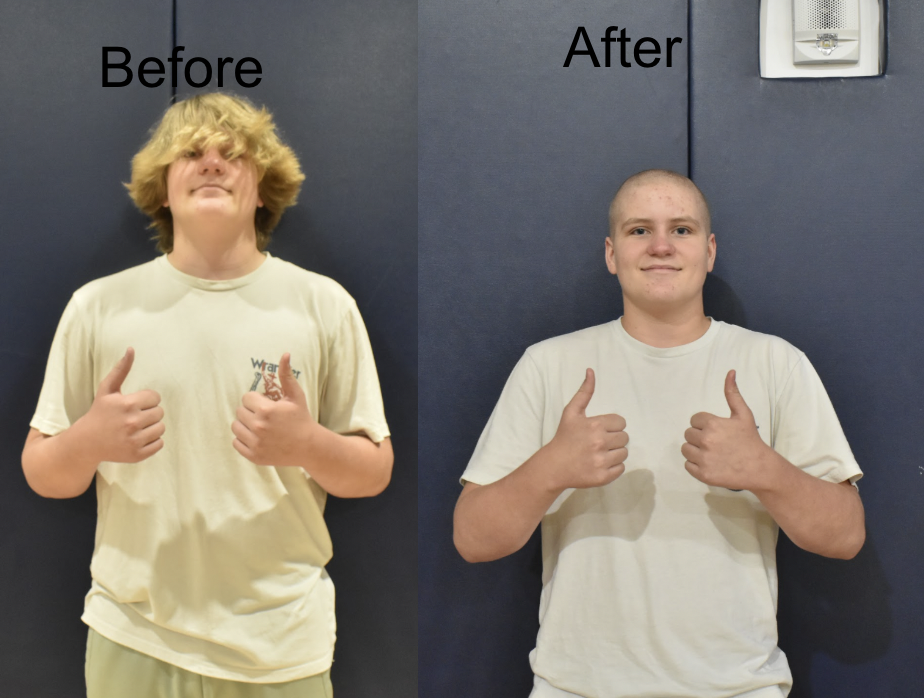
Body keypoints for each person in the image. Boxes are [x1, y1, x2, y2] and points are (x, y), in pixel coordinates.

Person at [22, 92, 393, 698]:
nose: (212, 162)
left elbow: (374, 471)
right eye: (191, 152)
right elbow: (42, 471)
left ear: (266, 187)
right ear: (161, 190)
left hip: (280, 649)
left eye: (234, 154)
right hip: (132, 636)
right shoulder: (98, 306)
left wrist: (308, 444)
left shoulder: (323, 305)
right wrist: (89, 440)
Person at [453, 169, 865, 698]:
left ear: (709, 251)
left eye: (683, 230)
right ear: (611, 253)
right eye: (639, 230)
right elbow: (472, 538)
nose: (662, 246)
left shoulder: (776, 363)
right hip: (578, 689)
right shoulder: (548, 365)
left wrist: (766, 471)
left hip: (737, 689)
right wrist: (549, 470)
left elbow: (846, 535)